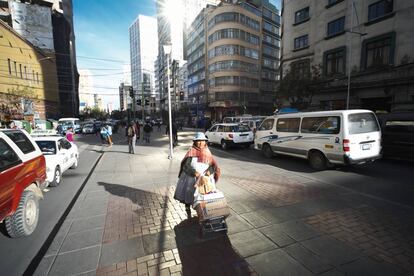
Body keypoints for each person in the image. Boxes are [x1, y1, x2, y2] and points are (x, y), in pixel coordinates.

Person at [174, 132, 221, 218]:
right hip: (191, 179)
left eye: (202, 141)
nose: (200, 143)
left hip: (204, 179)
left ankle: (202, 211)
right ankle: (187, 209)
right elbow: (186, 166)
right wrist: (194, 172)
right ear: (195, 142)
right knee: (189, 194)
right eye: (198, 141)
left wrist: (209, 172)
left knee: (204, 195)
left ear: (205, 142)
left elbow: (213, 166)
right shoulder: (191, 151)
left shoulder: (207, 151)